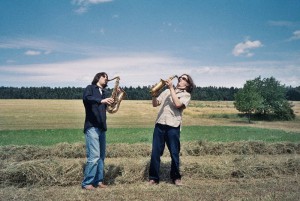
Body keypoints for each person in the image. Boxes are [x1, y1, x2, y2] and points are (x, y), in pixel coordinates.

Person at [148, 74, 195, 186]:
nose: (180, 79)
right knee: (155, 153)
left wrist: (171, 89)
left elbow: (178, 104)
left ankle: (176, 178)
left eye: (184, 79)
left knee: (174, 153)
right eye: (180, 77)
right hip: (160, 124)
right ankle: (153, 178)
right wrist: (154, 94)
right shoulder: (166, 92)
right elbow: (155, 104)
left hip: (173, 126)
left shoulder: (186, 95)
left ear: (187, 84)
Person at [81, 72, 115, 190]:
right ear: (97, 78)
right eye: (104, 77)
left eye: (107, 78)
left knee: (101, 157)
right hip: (92, 126)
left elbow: (110, 109)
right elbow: (87, 98)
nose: (106, 79)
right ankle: (87, 183)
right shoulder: (90, 88)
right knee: (94, 156)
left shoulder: (104, 93)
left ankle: (99, 181)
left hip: (101, 127)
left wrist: (117, 96)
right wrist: (101, 101)